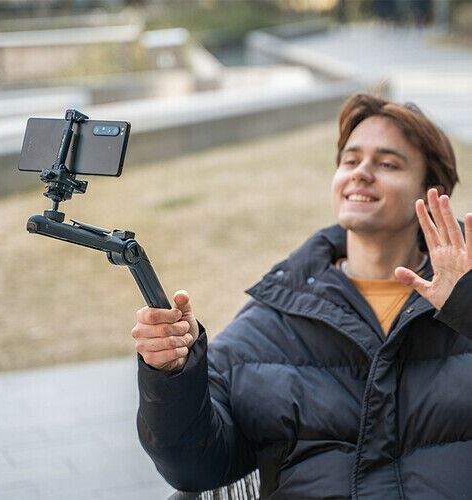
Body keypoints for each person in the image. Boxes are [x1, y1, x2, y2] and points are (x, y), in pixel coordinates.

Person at [132, 94, 472, 498]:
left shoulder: (465, 301)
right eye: (350, 160)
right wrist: (172, 375)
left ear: (431, 191)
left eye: (387, 163)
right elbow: (194, 465)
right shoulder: (273, 319)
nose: (361, 173)